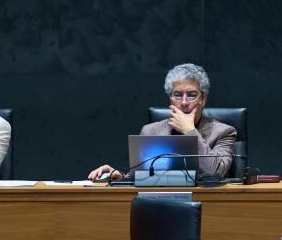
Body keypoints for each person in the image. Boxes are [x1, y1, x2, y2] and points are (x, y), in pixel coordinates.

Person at [87, 63, 237, 181]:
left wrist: (190, 131)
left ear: (203, 99)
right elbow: (139, 179)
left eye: (191, 95)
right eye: (177, 95)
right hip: (158, 203)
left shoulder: (224, 132)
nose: (184, 102)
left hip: (208, 205)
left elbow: (214, 173)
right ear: (170, 99)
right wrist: (118, 176)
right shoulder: (150, 131)